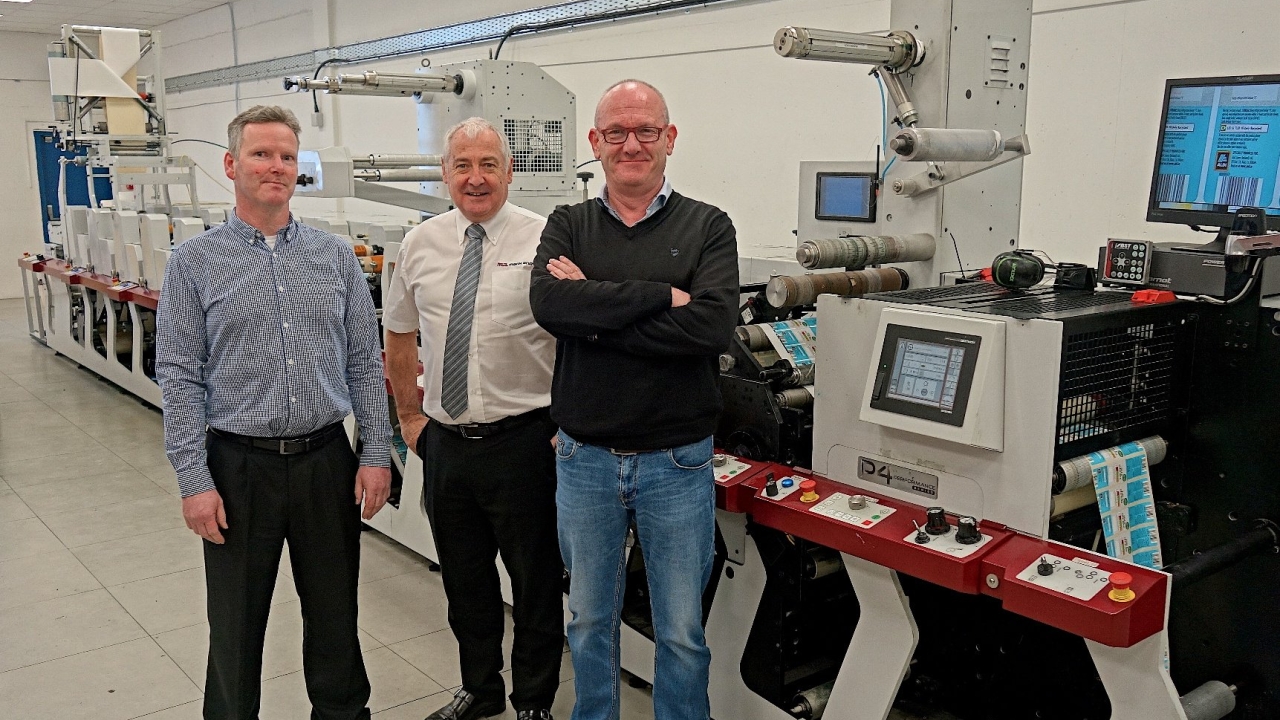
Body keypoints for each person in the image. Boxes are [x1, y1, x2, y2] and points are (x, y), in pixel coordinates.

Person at [157, 104, 393, 720]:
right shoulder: (194, 262)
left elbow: (366, 362)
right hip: (238, 467)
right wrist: (194, 481)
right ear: (232, 164)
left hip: (325, 461)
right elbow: (178, 374)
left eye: (287, 156)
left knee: (336, 616)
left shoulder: (334, 256)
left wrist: (375, 452)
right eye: (262, 154)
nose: (276, 167)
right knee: (235, 626)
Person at [529, 80, 739, 720]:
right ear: (594, 143)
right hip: (584, 458)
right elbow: (549, 305)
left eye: (646, 130)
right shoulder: (569, 222)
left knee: (680, 633)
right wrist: (658, 296)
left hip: (677, 463)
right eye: (616, 133)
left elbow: (709, 328)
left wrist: (596, 300)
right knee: (589, 619)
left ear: (669, 139)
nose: (631, 144)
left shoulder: (709, 225)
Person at [382, 117, 563, 720]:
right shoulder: (419, 243)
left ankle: (534, 700)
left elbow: (576, 337)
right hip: (447, 445)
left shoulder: (547, 240)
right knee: (465, 581)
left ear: (509, 172)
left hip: (526, 441)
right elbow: (400, 333)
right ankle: (479, 689)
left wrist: (566, 424)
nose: (475, 178)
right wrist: (410, 416)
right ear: (445, 174)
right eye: (463, 165)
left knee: (534, 582)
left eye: (488, 165)